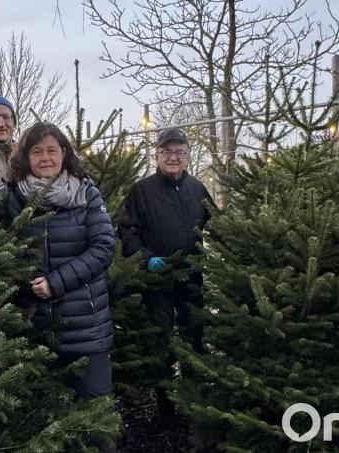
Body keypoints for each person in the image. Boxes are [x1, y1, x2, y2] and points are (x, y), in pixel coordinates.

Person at [0, 122, 115, 451]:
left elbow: (103, 248)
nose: (45, 157)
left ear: (64, 155)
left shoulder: (86, 193)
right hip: (33, 327)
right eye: (36, 151)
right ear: (25, 158)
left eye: (52, 150)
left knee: (96, 415)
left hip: (87, 327)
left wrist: (56, 283)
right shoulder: (12, 195)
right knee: (43, 419)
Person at [118, 127, 212, 421]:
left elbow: (218, 226)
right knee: (161, 338)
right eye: (167, 153)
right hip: (157, 281)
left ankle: (195, 398)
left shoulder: (197, 188)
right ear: (157, 156)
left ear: (187, 157)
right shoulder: (142, 191)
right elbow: (127, 231)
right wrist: (147, 259)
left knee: (194, 335)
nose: (173, 158)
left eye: (180, 153)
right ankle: (165, 405)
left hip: (191, 277)